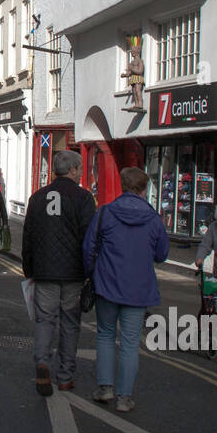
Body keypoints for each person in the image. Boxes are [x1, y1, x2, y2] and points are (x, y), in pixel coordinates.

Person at [82, 166, 169, 413]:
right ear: (144, 189)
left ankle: (105, 387)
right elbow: (162, 254)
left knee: (106, 335)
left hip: (107, 285)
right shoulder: (153, 218)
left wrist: (92, 274)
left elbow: (89, 249)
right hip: (138, 289)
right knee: (131, 343)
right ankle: (124, 397)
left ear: (122, 186)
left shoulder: (105, 213)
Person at [22, 149, 96, 396]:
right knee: (70, 324)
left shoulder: (37, 197)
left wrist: (28, 267)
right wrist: (90, 271)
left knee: (44, 320)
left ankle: (42, 362)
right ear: (73, 170)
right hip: (73, 273)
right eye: (80, 169)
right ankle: (65, 376)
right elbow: (89, 238)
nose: (81, 173)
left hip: (44, 270)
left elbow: (28, 236)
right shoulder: (84, 198)